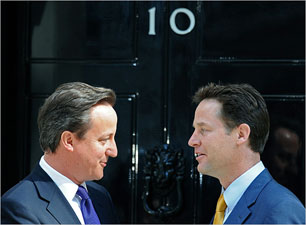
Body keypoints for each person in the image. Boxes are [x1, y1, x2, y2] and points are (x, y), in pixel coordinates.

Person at [1, 82, 120, 224]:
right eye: (104, 139)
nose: (114, 151)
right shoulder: (18, 207)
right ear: (69, 141)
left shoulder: (100, 197)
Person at [188, 83, 305, 224]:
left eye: (204, 129)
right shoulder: (226, 205)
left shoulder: (282, 210)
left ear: (241, 134)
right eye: (195, 130)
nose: (192, 141)